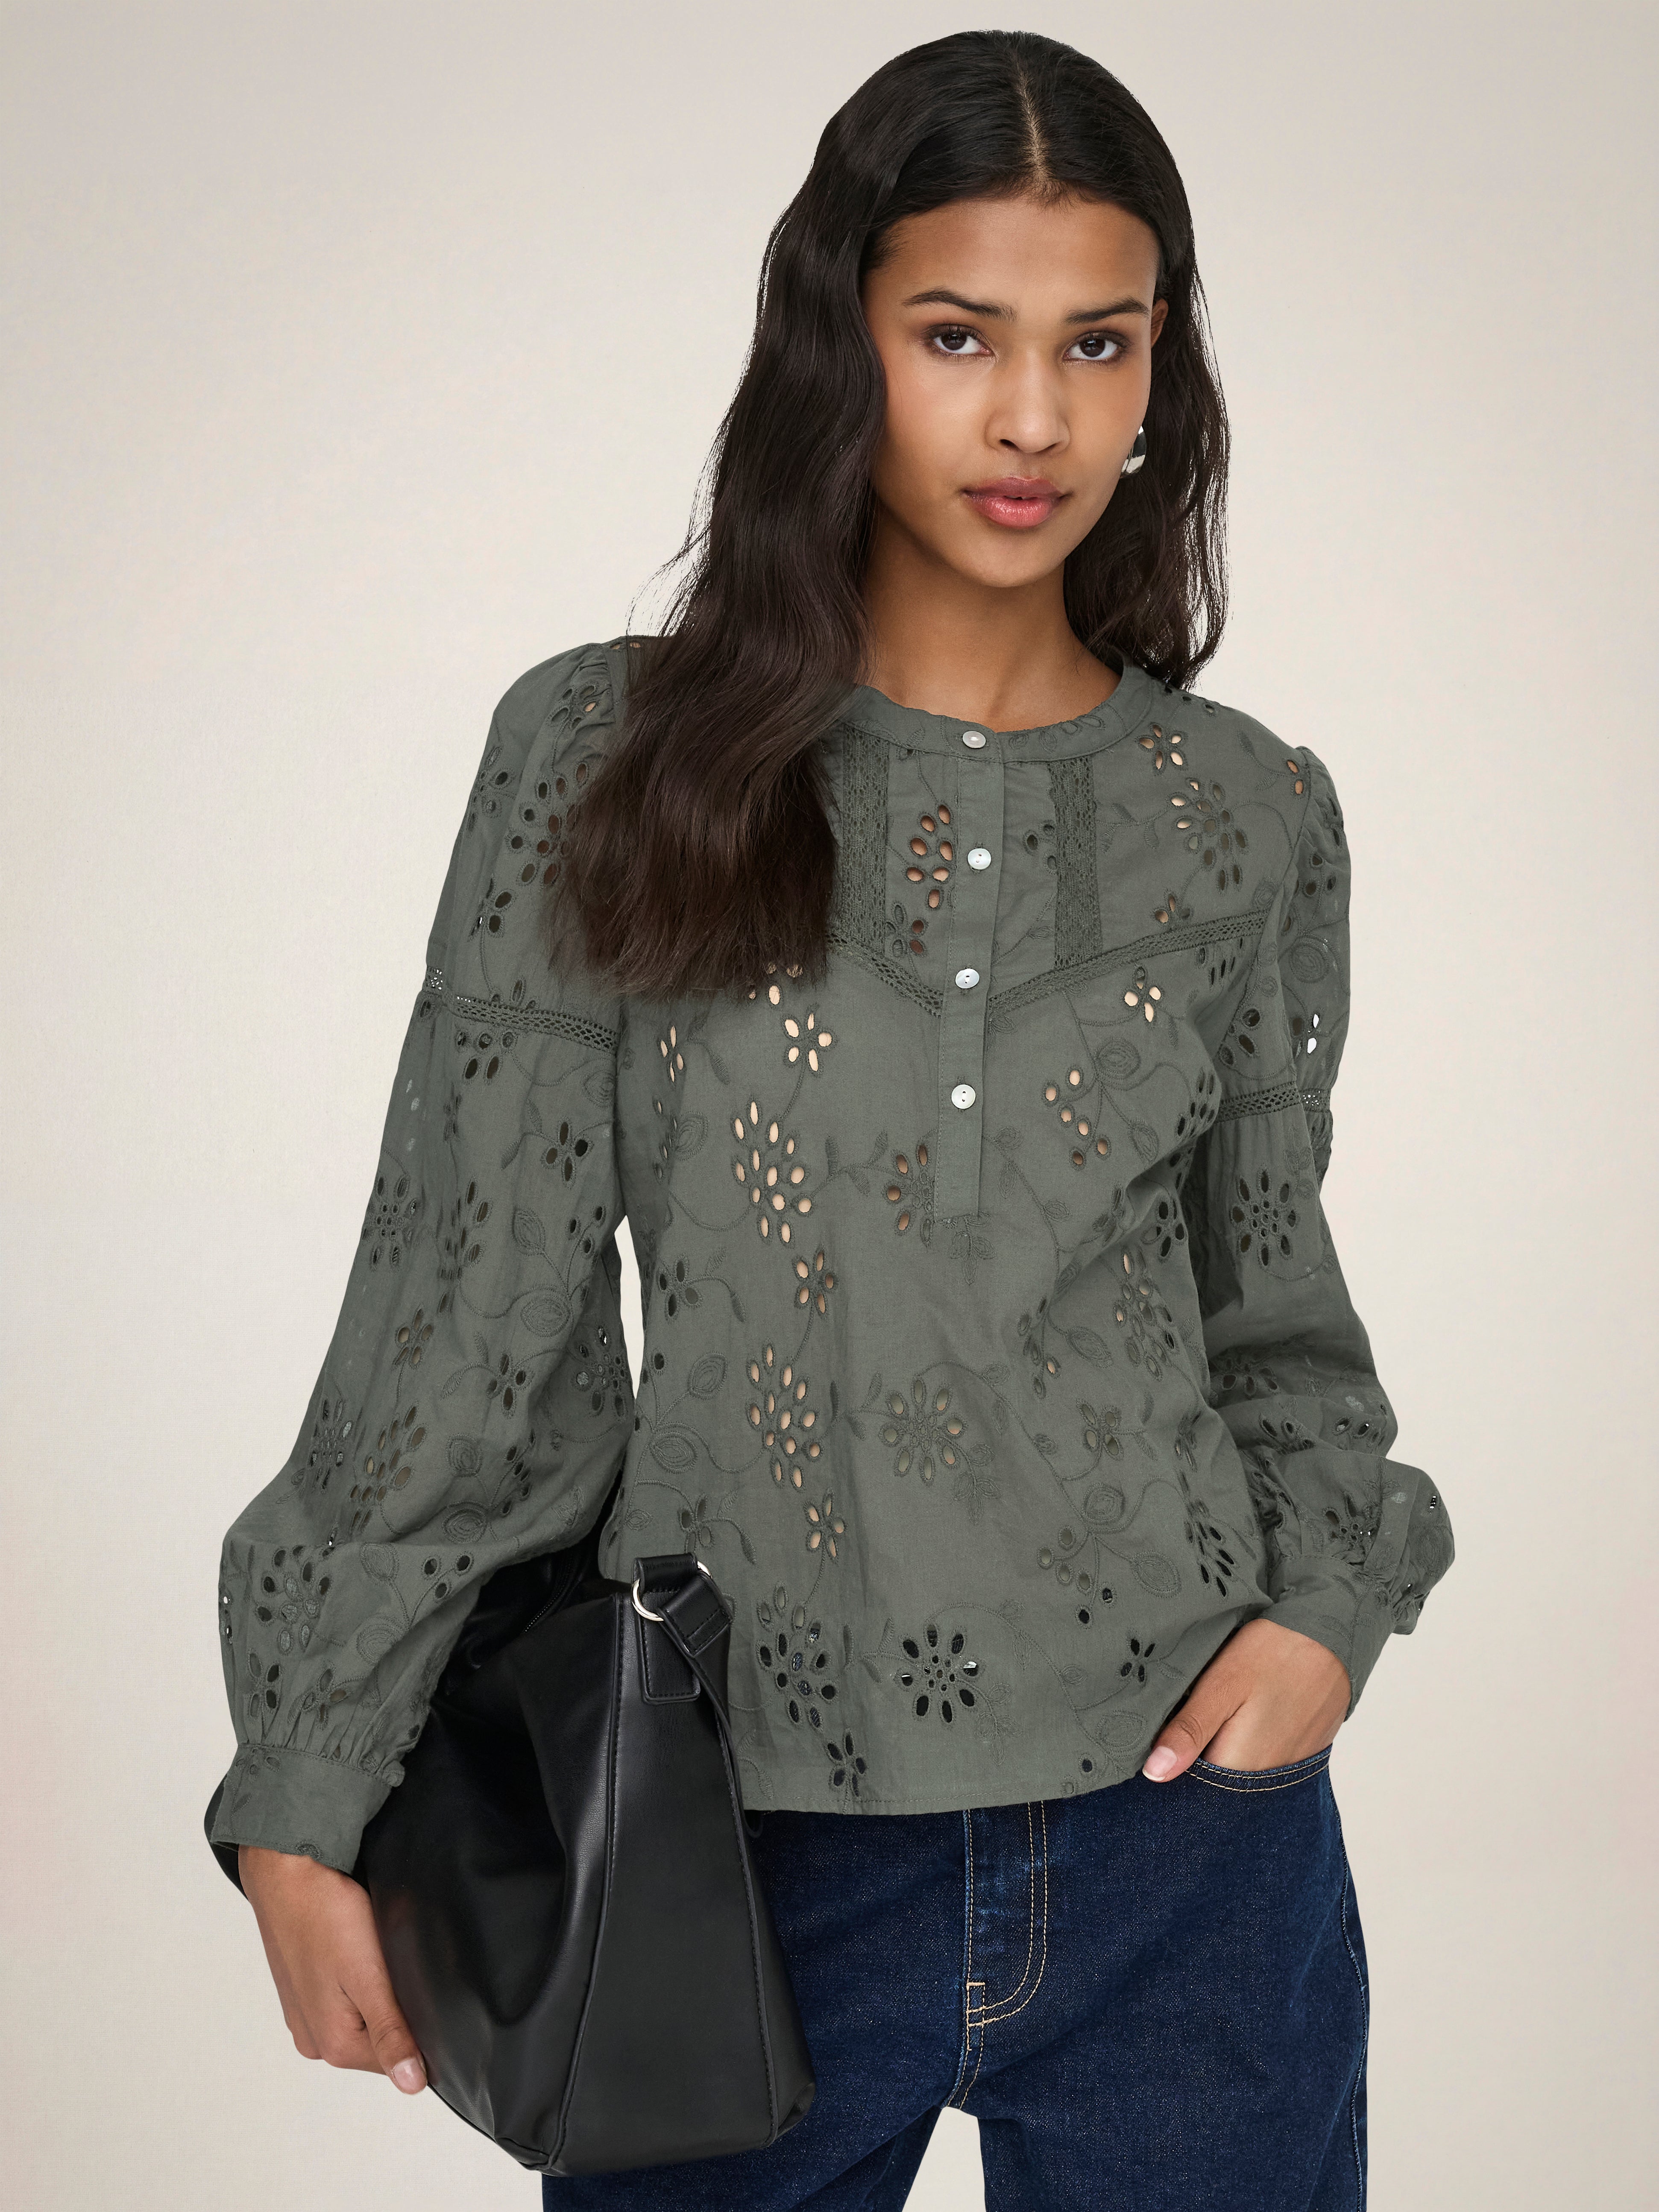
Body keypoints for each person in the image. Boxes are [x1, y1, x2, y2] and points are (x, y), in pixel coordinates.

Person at [205, 28, 1455, 2211]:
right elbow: (466, 1321)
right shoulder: (606, 761)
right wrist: (310, 1786)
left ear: (1160, 374)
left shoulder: (1244, 811)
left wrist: (1324, 1616)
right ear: (833, 342)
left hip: (1190, 1847)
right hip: (722, 1850)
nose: (1032, 417)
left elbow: (1271, 1320)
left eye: (1098, 342)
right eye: (956, 334)